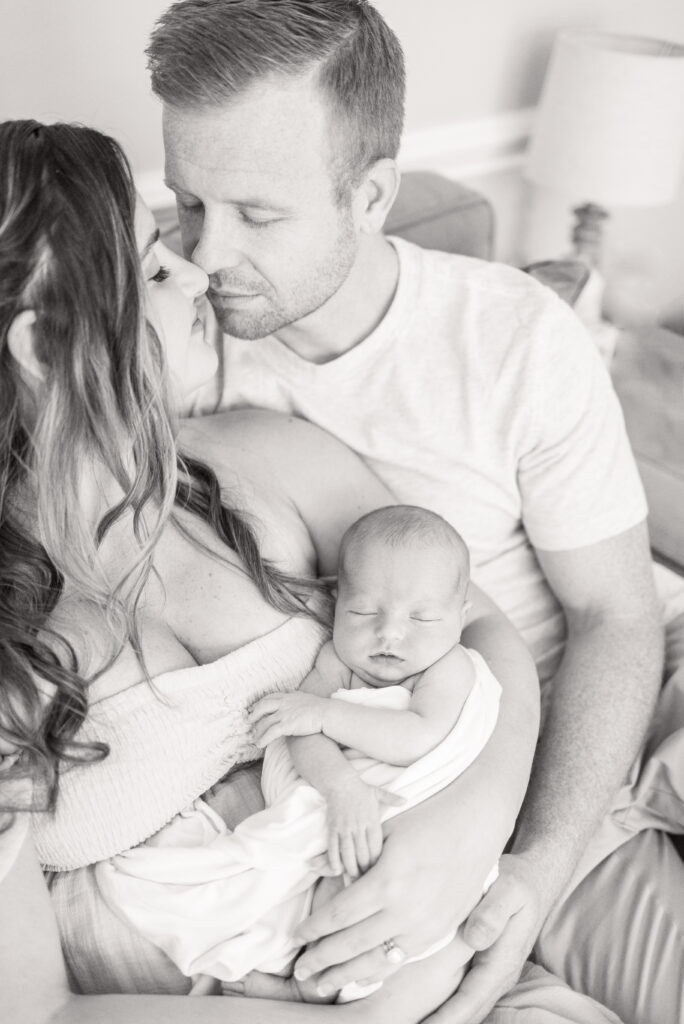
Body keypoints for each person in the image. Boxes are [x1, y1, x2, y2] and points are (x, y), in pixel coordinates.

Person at [146, 1, 684, 1021]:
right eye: (185, 204)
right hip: (435, 776)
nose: (206, 257)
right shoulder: (180, 354)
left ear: (371, 196)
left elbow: (614, 616)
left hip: (589, 731)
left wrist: (533, 859)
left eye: (258, 215)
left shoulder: (513, 338)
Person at [0, 119, 547, 1024]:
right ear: (44, 344)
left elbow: (481, 629)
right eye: (152, 267)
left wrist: (469, 831)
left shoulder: (260, 456)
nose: (199, 274)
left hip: (461, 948)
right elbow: (34, 1008)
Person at [93, 505, 503, 1004]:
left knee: (356, 895)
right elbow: (299, 735)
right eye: (364, 612)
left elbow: (416, 735)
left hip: (413, 819)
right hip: (347, 807)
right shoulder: (335, 659)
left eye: (422, 617)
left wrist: (323, 716)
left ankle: (303, 989)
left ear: (459, 619)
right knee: (312, 886)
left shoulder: (449, 667)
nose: (390, 633)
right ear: (335, 603)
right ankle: (297, 980)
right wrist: (342, 786)